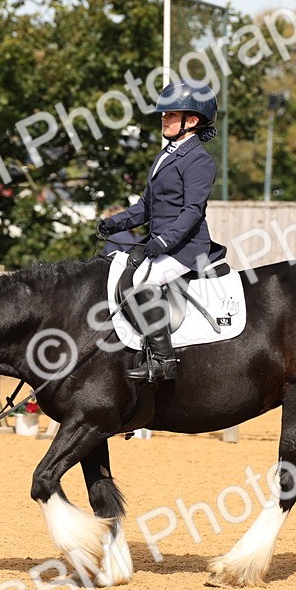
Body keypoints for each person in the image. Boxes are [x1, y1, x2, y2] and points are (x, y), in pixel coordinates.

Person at [98, 79, 223, 382]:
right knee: (117, 272)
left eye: (170, 114)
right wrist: (116, 222)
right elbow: (146, 206)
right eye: (164, 114)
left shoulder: (199, 160)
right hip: (162, 243)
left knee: (141, 283)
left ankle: (165, 360)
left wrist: (163, 242)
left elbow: (192, 211)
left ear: (191, 121)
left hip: (187, 247)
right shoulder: (166, 154)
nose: (163, 119)